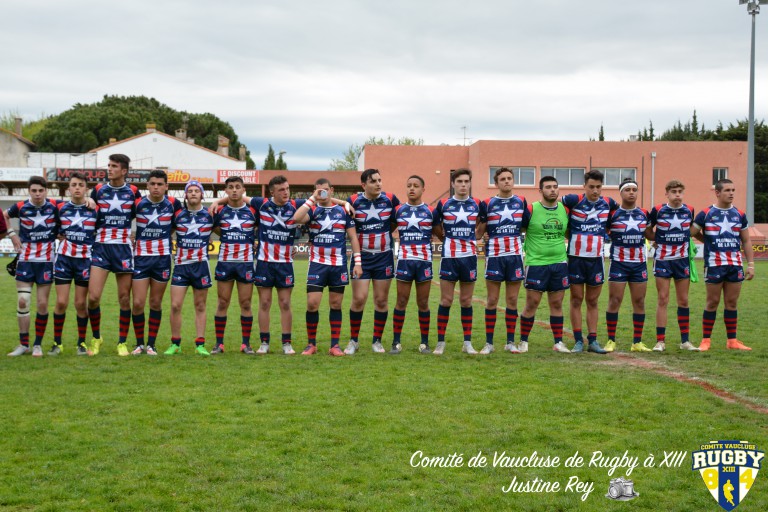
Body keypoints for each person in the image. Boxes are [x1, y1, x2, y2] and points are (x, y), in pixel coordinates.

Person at [292, 178, 363, 356]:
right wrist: (312, 199)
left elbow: (353, 237)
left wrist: (358, 262)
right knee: (312, 304)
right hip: (317, 264)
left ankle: (334, 345)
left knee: (336, 304)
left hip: (338, 264)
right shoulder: (312, 209)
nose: (322, 193)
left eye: (325, 190)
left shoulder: (343, 211)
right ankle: (311, 344)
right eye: (318, 190)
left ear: (331, 190)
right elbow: (296, 218)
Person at [690, 178, 754, 351]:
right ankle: (706, 341)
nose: (731, 193)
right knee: (712, 302)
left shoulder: (739, 214)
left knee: (731, 303)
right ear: (717, 193)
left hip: (735, 264)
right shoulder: (706, 213)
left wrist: (751, 264)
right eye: (727, 190)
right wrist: (707, 240)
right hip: (714, 264)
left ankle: (732, 341)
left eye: (733, 190)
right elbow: (692, 232)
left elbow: (746, 240)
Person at [87, 154, 142, 356]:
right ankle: (96, 337)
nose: (109, 169)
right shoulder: (99, 190)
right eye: (108, 165)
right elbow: (88, 210)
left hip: (123, 248)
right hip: (101, 247)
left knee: (124, 298)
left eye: (114, 166)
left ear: (124, 171)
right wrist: (87, 199)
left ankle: (122, 342)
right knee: (93, 297)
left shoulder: (133, 191)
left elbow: (142, 214)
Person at [344, 169, 400, 355]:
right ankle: (354, 340)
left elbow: (397, 219)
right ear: (363, 185)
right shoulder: (353, 201)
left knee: (381, 300)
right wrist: (342, 202)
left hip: (384, 256)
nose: (378, 184)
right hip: (362, 257)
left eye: (380, 180)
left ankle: (377, 340)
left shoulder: (390, 199)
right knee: (359, 299)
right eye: (373, 181)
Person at [562, 170, 618, 353]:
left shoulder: (608, 203)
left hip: (596, 259)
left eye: (598, 187)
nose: (595, 190)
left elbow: (617, 217)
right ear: (584, 186)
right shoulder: (573, 200)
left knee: (593, 301)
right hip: (576, 258)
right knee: (576, 299)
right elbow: (556, 209)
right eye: (591, 187)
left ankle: (593, 341)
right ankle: (578, 340)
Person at [130, 170, 181, 355]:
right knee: (137, 303)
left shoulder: (173, 203)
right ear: (147, 186)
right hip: (141, 258)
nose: (156, 187)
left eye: (160, 184)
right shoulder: (138, 203)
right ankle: (139, 344)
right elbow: (122, 221)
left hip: (162, 258)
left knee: (155, 302)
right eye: (152, 184)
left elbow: (177, 224)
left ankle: (151, 344)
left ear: (166, 186)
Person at [518, 175, 571, 353]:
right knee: (532, 303)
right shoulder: (531, 209)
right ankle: (523, 341)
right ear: (540, 191)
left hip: (559, 263)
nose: (552, 190)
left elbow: (568, 232)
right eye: (548, 187)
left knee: (556, 304)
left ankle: (558, 342)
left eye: (555, 186)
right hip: (536, 263)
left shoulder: (564, 210)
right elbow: (519, 229)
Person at [5, 176, 57, 357]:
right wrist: (12, 234)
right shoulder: (20, 207)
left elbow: (76, 204)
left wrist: (90, 200)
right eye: (34, 190)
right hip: (25, 260)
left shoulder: (55, 205)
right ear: (29, 191)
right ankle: (23, 344)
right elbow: (4, 215)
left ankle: (37, 345)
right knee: (23, 301)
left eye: (41, 190)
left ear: (46, 191)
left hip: (46, 261)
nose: (37, 194)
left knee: (42, 304)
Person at [476, 167, 526, 354]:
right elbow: (480, 231)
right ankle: (489, 343)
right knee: (492, 300)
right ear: (496, 183)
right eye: (503, 179)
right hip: (495, 256)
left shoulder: (521, 201)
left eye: (509, 178)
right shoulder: (487, 203)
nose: (506, 181)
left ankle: (510, 342)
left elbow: (525, 226)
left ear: (513, 181)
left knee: (512, 300)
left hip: (515, 256)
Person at [645, 180, 699, 351]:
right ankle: (660, 341)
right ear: (667, 194)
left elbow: (692, 231)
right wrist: (658, 239)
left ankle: (685, 341)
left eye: (680, 191)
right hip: (663, 260)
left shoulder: (689, 210)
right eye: (674, 191)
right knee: (663, 299)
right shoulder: (658, 210)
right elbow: (648, 231)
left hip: (682, 260)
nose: (677, 195)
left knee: (683, 300)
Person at [432, 169, 481, 355]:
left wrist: (476, 235)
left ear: (470, 183)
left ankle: (467, 343)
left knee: (466, 301)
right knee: (446, 300)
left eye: (466, 181)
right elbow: (436, 225)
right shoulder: (444, 204)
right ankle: (440, 342)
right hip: (449, 258)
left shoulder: (477, 204)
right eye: (459, 181)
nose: (463, 185)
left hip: (469, 257)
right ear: (453, 184)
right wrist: (442, 237)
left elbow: (481, 223)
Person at [51, 172, 97, 355]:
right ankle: (57, 343)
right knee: (61, 302)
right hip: (64, 259)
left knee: (80, 303)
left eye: (81, 185)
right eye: (74, 185)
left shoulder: (94, 209)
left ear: (86, 189)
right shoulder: (60, 207)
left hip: (84, 260)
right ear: (69, 188)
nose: (77, 188)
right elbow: (54, 228)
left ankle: (81, 343)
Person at [211, 175, 258, 354]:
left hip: (245, 263)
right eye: (230, 187)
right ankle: (219, 344)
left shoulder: (253, 211)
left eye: (238, 187)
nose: (234, 190)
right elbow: (216, 229)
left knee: (245, 303)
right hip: (225, 262)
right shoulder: (220, 211)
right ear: (226, 190)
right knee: (222, 303)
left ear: (243, 190)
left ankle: (246, 344)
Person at [166, 180, 214, 355]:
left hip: (201, 266)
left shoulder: (210, 215)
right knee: (175, 305)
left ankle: (200, 344)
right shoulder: (178, 215)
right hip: (181, 266)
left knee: (200, 305)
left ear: (202, 195)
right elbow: (167, 232)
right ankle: (175, 344)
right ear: (185, 195)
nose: (193, 193)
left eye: (197, 191)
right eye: (190, 191)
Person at [604, 179, 652, 352]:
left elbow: (650, 234)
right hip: (619, 263)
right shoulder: (613, 214)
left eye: (634, 189)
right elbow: (603, 231)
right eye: (627, 190)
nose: (631, 192)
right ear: (621, 193)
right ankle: (611, 340)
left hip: (639, 264)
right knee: (614, 300)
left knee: (639, 301)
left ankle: (637, 342)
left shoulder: (644, 213)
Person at [391, 175, 434, 354]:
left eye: (416, 185)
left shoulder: (431, 211)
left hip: (424, 261)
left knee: (423, 302)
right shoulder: (398, 210)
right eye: (409, 185)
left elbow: (439, 231)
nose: (412, 188)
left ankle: (424, 343)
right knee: (401, 301)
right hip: (405, 261)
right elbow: (388, 228)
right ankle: (396, 342)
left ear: (423, 189)